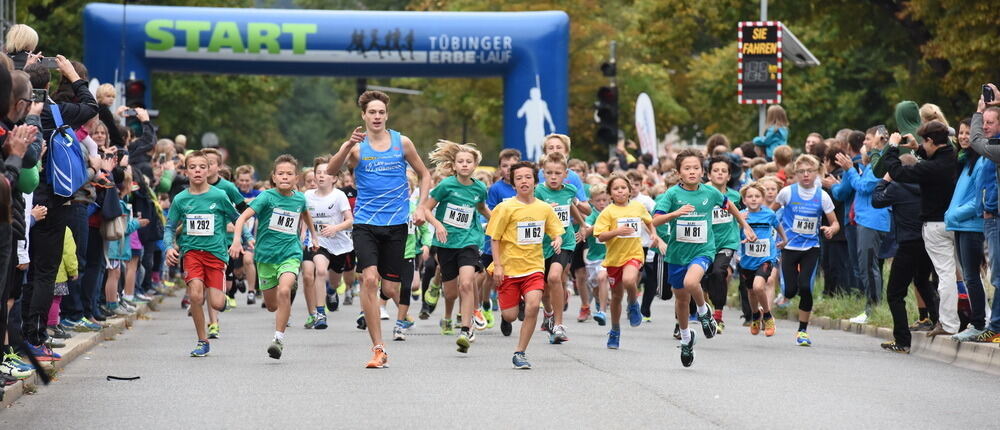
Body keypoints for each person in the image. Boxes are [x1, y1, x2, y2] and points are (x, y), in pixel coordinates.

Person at [326, 90, 431, 368]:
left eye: (381, 112)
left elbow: (425, 173)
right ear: (363, 115)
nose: (376, 116)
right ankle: (378, 347)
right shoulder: (357, 147)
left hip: (397, 225)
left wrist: (421, 206)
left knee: (390, 286)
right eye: (371, 112)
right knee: (369, 280)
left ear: (387, 114)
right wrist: (346, 145)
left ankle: (399, 314)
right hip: (366, 224)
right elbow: (331, 170)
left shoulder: (402, 142)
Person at [652, 149, 756, 367]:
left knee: (692, 283)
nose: (692, 172)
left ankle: (703, 311)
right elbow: (655, 221)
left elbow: (731, 207)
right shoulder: (672, 195)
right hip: (677, 254)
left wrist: (744, 225)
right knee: (680, 299)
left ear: (703, 171)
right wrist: (674, 214)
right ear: (679, 172)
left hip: (703, 250)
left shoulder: (711, 194)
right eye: (687, 168)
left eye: (696, 168)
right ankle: (687, 339)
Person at [229, 154, 317, 360]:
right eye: (280, 173)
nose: (285, 177)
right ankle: (283, 293)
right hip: (266, 257)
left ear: (297, 178)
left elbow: (305, 215)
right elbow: (242, 217)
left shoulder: (299, 198)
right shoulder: (266, 197)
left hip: (290, 253)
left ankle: (278, 339)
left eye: (289, 174)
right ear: (274, 177)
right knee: (272, 306)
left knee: (284, 290)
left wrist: (313, 236)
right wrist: (236, 241)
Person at [879, 121, 958, 337]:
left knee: (944, 276)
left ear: (931, 141)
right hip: (953, 223)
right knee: (963, 275)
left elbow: (898, 172)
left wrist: (893, 147)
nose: (923, 145)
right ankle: (978, 319)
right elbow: (936, 153)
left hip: (935, 225)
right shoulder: (951, 155)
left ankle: (948, 323)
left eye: (924, 141)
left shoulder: (930, 168)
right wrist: (917, 148)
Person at [485, 161, 564, 369]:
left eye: (528, 177)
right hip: (509, 268)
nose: (524, 181)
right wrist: (498, 266)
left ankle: (520, 352)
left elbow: (556, 230)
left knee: (533, 305)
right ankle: (515, 305)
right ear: (513, 183)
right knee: (509, 316)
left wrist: (557, 239)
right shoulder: (505, 208)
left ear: (535, 181)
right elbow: (495, 238)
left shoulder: (544, 208)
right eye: (519, 178)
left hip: (533, 268)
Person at [163, 151, 242, 357]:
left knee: (216, 303)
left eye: (202, 167)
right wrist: (169, 247)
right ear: (186, 171)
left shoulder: (219, 195)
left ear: (209, 170)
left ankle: (223, 296)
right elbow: (169, 227)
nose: (197, 171)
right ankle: (202, 340)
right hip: (191, 253)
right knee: (196, 296)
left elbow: (238, 218)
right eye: (193, 167)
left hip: (215, 254)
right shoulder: (181, 199)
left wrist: (237, 240)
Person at [421, 140, 490, 353]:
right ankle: (437, 285)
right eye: (461, 161)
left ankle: (466, 329)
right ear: (455, 164)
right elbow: (425, 209)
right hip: (446, 242)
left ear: (475, 165)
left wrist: (497, 219)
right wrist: (438, 225)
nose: (465, 165)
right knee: (450, 293)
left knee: (467, 284)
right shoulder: (445, 186)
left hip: (469, 240)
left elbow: (480, 207)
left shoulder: (480, 188)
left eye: (469, 161)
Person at [771, 154, 840, 347]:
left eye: (810, 171)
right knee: (790, 291)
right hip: (789, 247)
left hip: (811, 247)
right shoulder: (787, 193)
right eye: (801, 172)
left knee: (806, 287)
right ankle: (784, 291)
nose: (806, 175)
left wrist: (830, 229)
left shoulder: (822, 196)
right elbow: (770, 212)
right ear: (795, 174)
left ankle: (802, 331)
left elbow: (835, 223)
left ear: (817, 172)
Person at [871, 154, 937, 352]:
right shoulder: (928, 187)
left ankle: (902, 341)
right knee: (923, 282)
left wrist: (885, 180)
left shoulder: (897, 188)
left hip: (908, 245)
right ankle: (939, 320)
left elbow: (876, 200)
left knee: (895, 294)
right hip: (927, 242)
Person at [593, 175, 662, 349]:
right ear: (610, 194)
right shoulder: (607, 212)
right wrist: (617, 231)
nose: (620, 191)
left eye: (623, 188)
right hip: (614, 259)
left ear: (630, 191)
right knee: (616, 296)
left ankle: (632, 304)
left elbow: (649, 221)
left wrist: (653, 233)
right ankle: (615, 330)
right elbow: (600, 235)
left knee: (629, 280)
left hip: (634, 254)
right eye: (616, 189)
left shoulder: (638, 207)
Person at [835, 128, 890, 324]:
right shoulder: (872, 162)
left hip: (873, 219)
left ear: (878, 140)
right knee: (866, 265)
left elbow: (864, 186)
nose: (864, 143)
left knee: (868, 265)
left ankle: (872, 309)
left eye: (868, 139)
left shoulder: (880, 161)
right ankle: (871, 307)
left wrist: (849, 169)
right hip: (866, 218)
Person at [534, 151, 583, 344]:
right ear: (543, 174)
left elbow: (572, 206)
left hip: (565, 241)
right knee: (545, 290)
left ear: (565, 174)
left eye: (557, 173)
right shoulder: (538, 192)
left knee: (555, 277)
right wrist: (546, 211)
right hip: (542, 244)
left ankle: (559, 325)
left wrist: (583, 224)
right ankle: (548, 314)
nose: (553, 177)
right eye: (549, 173)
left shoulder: (570, 190)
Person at [301, 156, 353, 331]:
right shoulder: (307, 195)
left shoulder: (339, 196)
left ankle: (331, 292)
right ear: (314, 177)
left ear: (334, 178)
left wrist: (335, 228)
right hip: (317, 241)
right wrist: (303, 236)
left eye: (326, 173)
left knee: (335, 281)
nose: (322, 176)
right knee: (319, 270)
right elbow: (304, 219)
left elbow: (350, 221)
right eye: (318, 173)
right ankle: (320, 313)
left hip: (338, 243)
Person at [966, 88, 1000, 342]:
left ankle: (996, 327)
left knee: (998, 275)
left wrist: (978, 113)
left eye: (991, 122)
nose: (985, 127)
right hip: (990, 218)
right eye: (984, 122)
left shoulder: (994, 149)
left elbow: (976, 141)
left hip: (996, 219)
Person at [738, 182, 785, 337]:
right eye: (749, 197)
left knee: (759, 287)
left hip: (766, 258)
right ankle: (755, 315)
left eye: (757, 196)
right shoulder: (741, 216)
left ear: (762, 198)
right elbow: (733, 234)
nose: (753, 199)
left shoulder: (769, 214)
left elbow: (777, 226)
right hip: (747, 260)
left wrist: (784, 239)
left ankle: (767, 315)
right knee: (751, 291)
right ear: (744, 200)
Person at [702, 156, 742, 332]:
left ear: (728, 176)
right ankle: (707, 305)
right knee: (705, 277)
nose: (720, 173)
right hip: (705, 242)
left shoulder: (735, 196)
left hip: (727, 241)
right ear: (709, 174)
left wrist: (745, 227)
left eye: (723, 171)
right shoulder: (702, 193)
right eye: (716, 170)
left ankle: (718, 315)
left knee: (719, 272)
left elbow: (740, 214)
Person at [578, 184, 610, 326]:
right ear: (592, 201)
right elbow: (587, 228)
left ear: (609, 199)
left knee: (602, 278)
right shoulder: (592, 215)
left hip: (609, 256)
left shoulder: (612, 212)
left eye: (604, 200)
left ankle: (602, 311)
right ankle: (598, 300)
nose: (602, 203)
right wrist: (596, 228)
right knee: (595, 286)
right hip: (593, 257)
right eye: (598, 201)